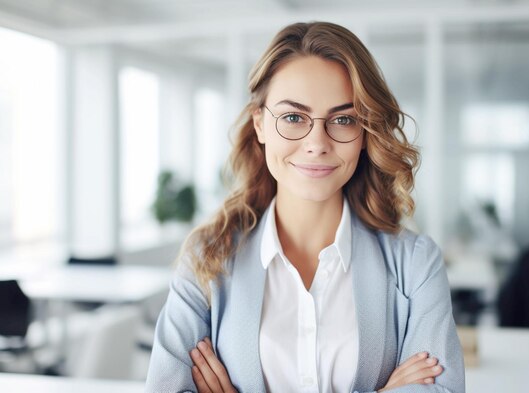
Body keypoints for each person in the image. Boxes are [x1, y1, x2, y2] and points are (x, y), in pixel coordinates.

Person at [146, 21, 465, 393]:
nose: (316, 143)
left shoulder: (415, 264)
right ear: (261, 125)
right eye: (294, 117)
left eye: (344, 119)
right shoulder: (207, 257)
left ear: (365, 134)